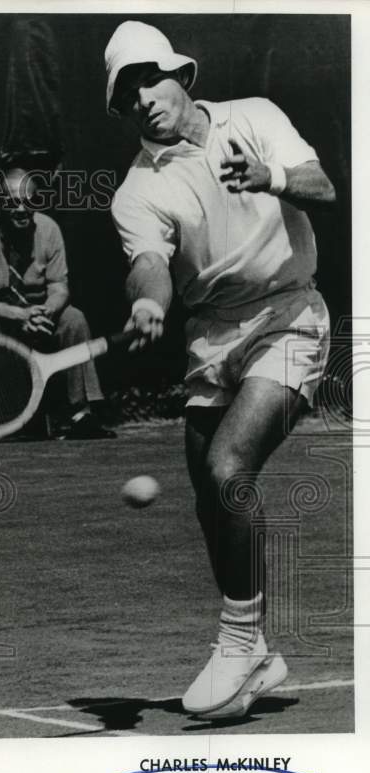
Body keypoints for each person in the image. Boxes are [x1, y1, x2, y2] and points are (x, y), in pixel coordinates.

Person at [104, 21, 336, 718]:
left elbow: (322, 186)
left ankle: (237, 641)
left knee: (229, 466)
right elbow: (149, 262)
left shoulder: (257, 118)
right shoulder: (135, 191)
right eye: (126, 92)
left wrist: (269, 176)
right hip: (211, 338)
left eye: (150, 77)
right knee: (212, 498)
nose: (143, 97)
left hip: (289, 314)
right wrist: (148, 301)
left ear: (182, 75)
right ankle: (259, 656)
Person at [0, 151, 114, 439]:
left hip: (33, 310)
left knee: (73, 319)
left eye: (30, 201)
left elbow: (59, 288)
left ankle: (80, 414)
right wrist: (18, 314)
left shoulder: (49, 230)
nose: (21, 209)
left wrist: (42, 313)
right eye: (12, 202)